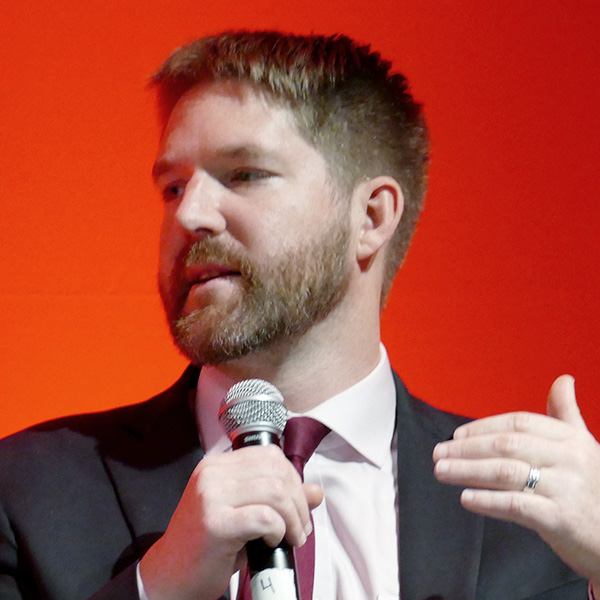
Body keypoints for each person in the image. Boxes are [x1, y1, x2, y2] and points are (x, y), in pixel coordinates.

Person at [0, 30, 598, 600]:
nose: (190, 215)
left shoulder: (534, 513)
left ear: (371, 218)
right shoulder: (29, 489)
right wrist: (157, 587)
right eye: (173, 187)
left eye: (244, 175)